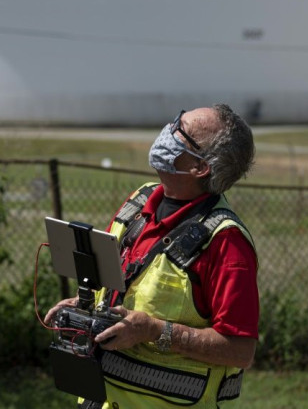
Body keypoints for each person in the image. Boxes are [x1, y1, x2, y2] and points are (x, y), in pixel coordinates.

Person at [45, 104, 258, 409]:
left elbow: (240, 350)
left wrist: (155, 331)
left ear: (200, 168)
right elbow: (118, 288)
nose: (167, 133)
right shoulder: (140, 199)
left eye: (181, 133)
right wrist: (83, 308)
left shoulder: (226, 242)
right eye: (175, 121)